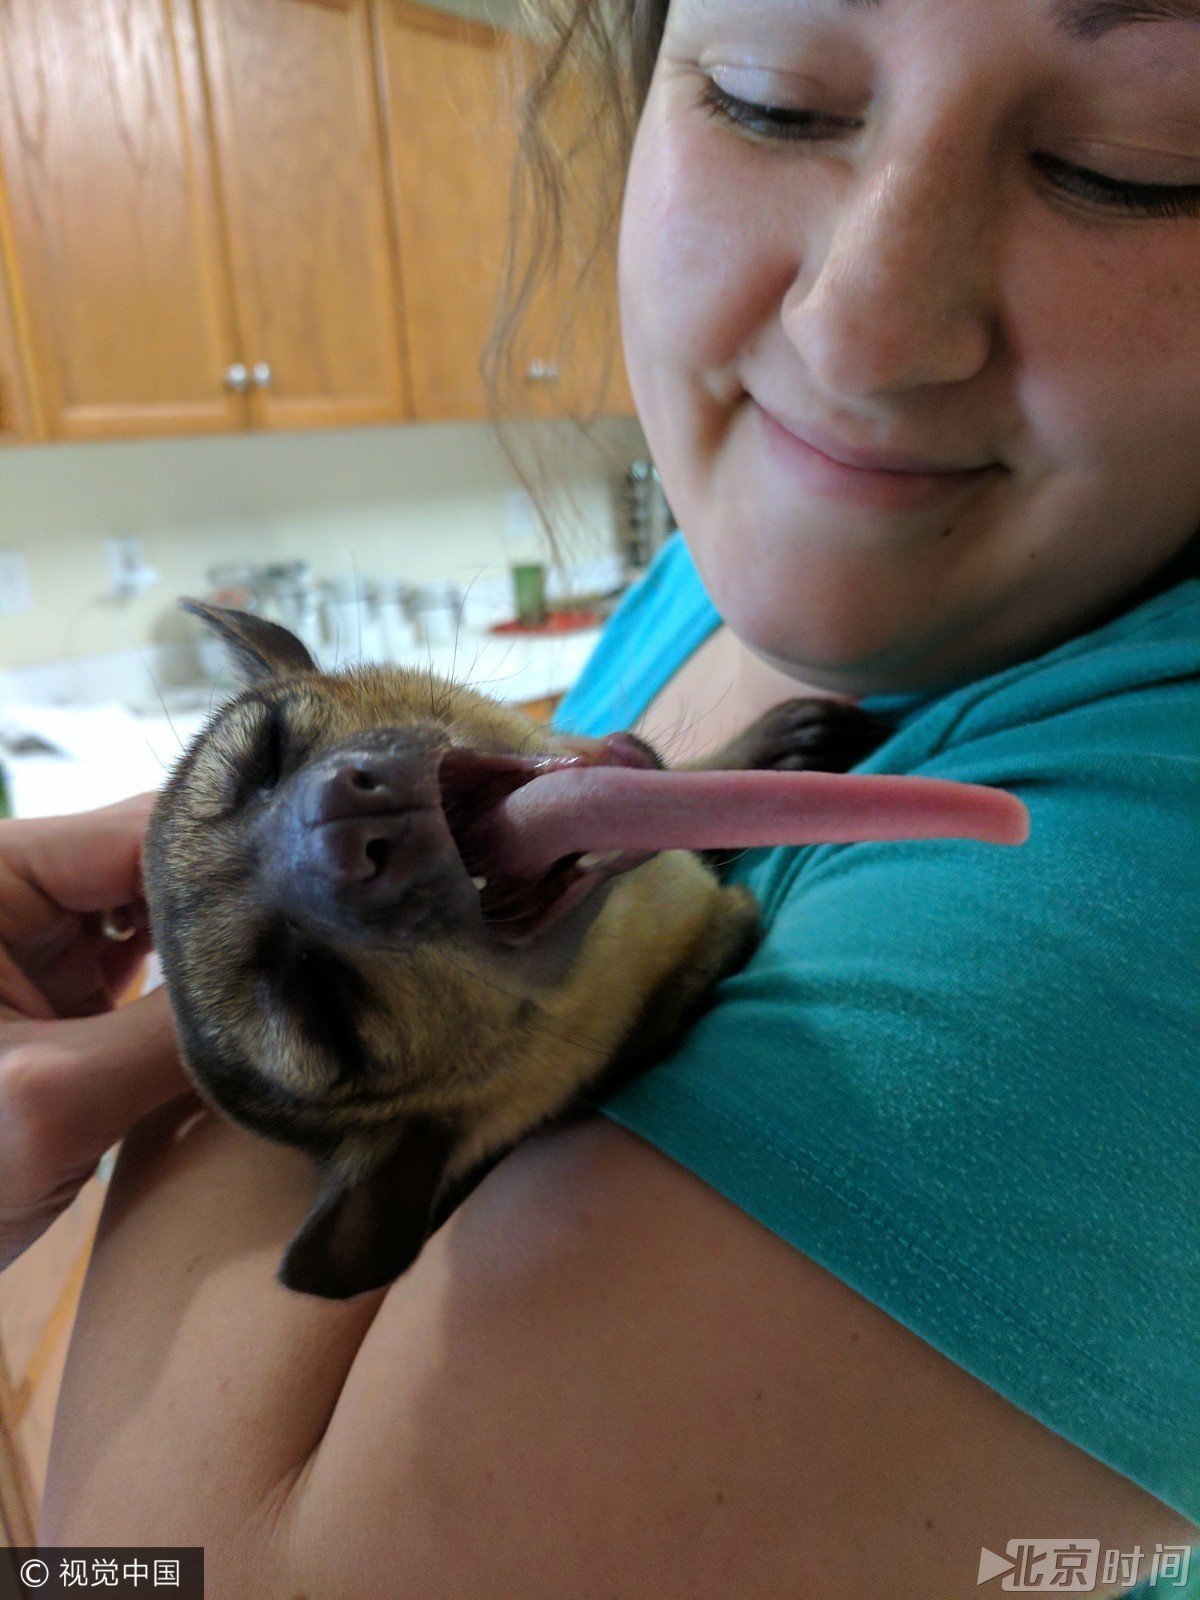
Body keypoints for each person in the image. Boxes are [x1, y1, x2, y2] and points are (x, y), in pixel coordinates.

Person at [4, 0, 1197, 1592]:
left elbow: (171, 1575)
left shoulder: (1144, 869)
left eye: (1130, 161)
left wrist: (197, 1042)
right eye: (771, 100)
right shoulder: (738, 563)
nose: (855, 332)